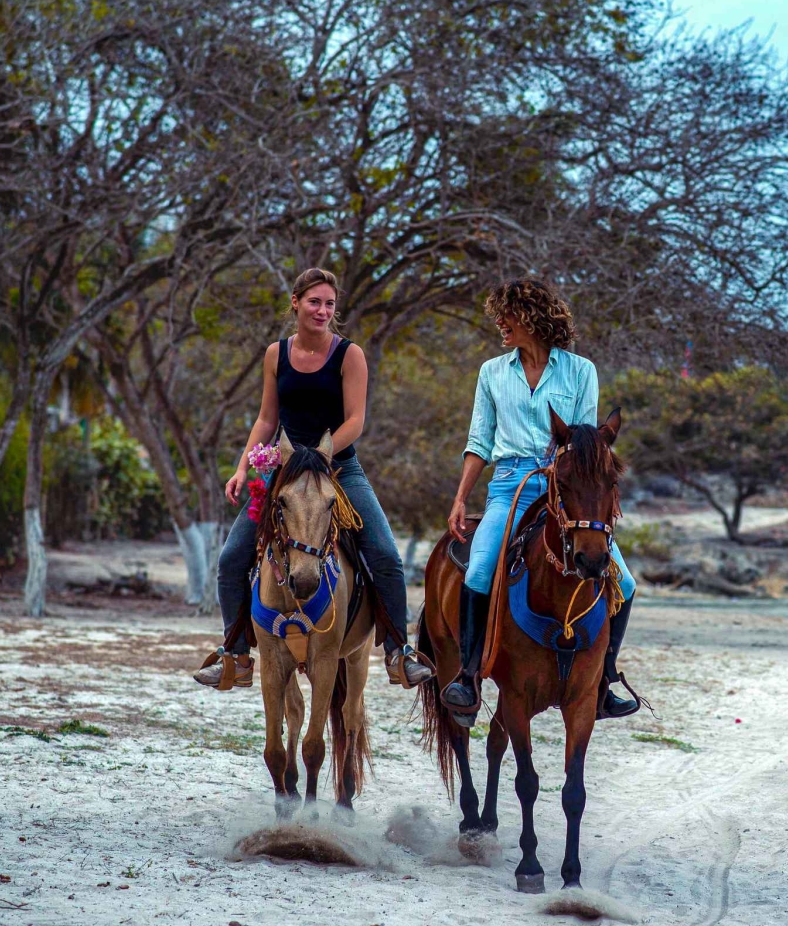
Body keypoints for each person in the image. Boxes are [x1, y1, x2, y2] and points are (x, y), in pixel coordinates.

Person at [193, 267, 432, 690]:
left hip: (339, 468)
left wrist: (320, 454)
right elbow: (268, 418)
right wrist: (243, 467)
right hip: (280, 473)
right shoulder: (275, 354)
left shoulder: (349, 354)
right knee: (232, 556)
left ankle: (400, 651)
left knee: (384, 553)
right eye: (314, 302)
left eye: (330, 304)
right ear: (296, 303)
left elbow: (356, 420)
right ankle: (236, 654)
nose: (323, 311)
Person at [440, 277, 638, 718]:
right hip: (509, 482)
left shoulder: (580, 371)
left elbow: (587, 445)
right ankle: (468, 677)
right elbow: (479, 440)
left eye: (507, 316)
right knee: (479, 569)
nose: (500, 324)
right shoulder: (492, 372)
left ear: (532, 318)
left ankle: (605, 680)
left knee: (624, 582)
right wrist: (460, 498)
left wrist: (565, 477)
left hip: (563, 488)